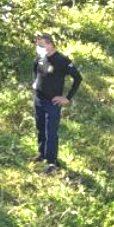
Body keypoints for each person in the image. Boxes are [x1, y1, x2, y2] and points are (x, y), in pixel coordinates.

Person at [32, 33, 82, 174]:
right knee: (40, 127)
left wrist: (67, 98)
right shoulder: (41, 57)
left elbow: (78, 78)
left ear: (50, 44)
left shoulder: (62, 61)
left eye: (41, 44)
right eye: (37, 44)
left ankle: (52, 163)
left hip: (52, 102)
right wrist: (35, 85)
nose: (38, 47)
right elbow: (35, 69)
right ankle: (42, 153)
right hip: (39, 99)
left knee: (51, 132)